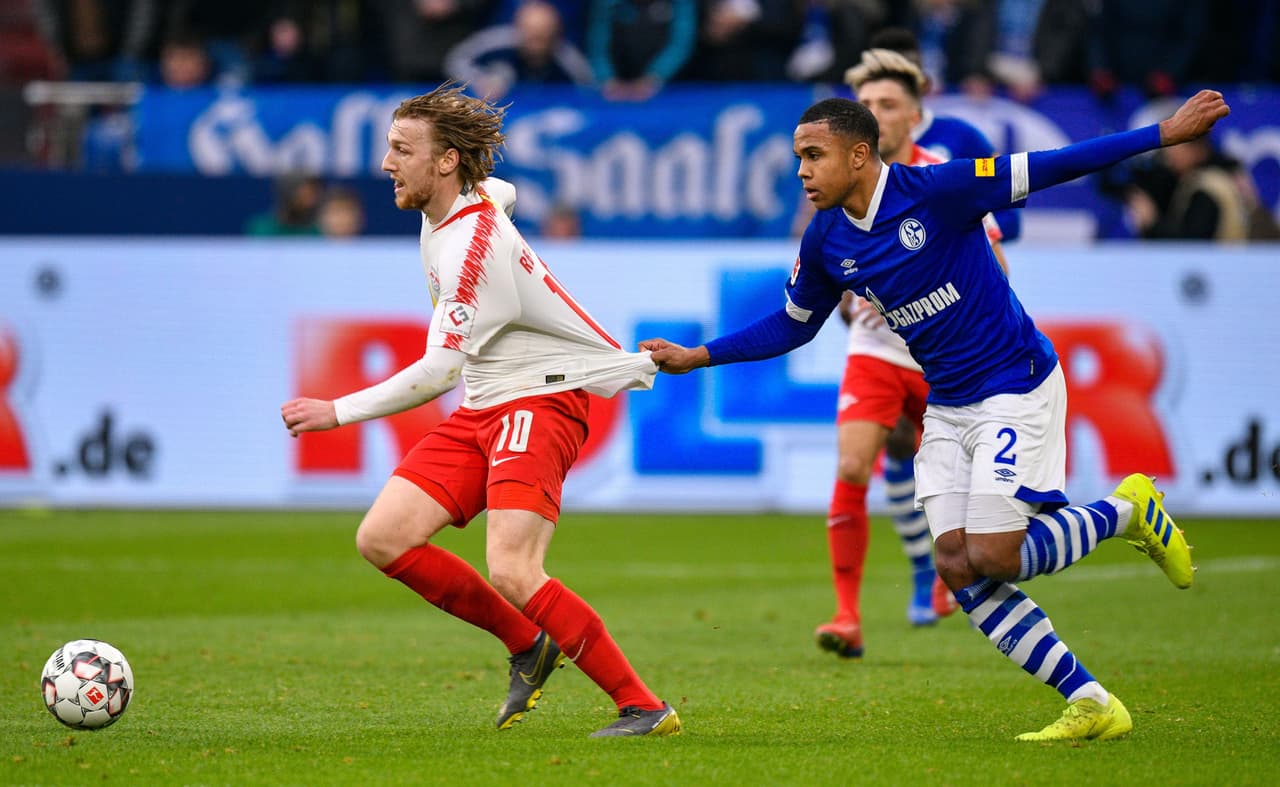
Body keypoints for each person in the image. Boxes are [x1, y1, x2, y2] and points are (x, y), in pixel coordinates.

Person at [641, 89, 1227, 740]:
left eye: (814, 155)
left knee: (996, 556)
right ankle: (1090, 700)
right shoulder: (828, 239)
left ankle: (1127, 510)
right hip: (948, 403)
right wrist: (700, 354)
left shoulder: (939, 189)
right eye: (798, 157)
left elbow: (1051, 163)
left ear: (860, 156)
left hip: (1015, 380)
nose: (802, 171)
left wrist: (1160, 133)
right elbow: (793, 324)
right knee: (954, 561)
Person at [280, 82, 680, 738]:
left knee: (514, 567)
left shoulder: (470, 246)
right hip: (487, 401)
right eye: (389, 147)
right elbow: (504, 191)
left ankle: (642, 704)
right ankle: (529, 643)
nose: (386, 163)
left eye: (401, 149)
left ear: (444, 163)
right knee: (381, 537)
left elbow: (439, 369)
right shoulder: (470, 197)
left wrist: (338, 410)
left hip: (540, 397)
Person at [813, 48, 1009, 660]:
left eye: (886, 104)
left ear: (914, 119)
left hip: (943, 357)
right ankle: (847, 614)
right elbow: (824, 266)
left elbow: (995, 261)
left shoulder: (941, 181)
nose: (873, 113)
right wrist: (845, 296)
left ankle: (935, 571)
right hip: (874, 349)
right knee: (852, 467)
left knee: (964, 490)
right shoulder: (839, 187)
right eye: (866, 104)